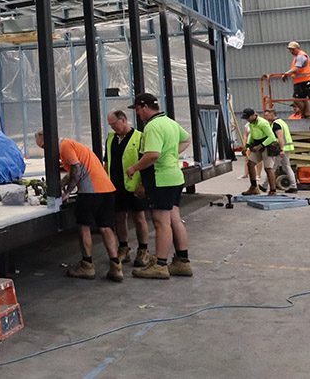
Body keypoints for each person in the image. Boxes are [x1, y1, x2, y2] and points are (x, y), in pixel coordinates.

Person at [34, 130, 123, 282]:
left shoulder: (64, 146)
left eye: (43, 147)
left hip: (90, 191)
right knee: (106, 227)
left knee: (84, 226)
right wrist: (60, 184)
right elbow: (75, 169)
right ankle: (116, 266)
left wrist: (67, 192)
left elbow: (76, 168)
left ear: (48, 141)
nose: (44, 151)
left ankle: (87, 265)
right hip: (106, 189)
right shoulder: (71, 145)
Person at [125, 93, 192, 280]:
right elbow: (186, 139)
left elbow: (153, 155)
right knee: (175, 219)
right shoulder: (169, 122)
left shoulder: (152, 126)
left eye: (138, 110)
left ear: (145, 107)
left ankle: (160, 265)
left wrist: (134, 168)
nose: (137, 114)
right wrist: (170, 154)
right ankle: (182, 261)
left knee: (161, 222)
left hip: (160, 179)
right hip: (175, 177)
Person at [105, 110, 151, 269]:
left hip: (134, 186)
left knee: (139, 217)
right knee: (119, 217)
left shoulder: (139, 138)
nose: (113, 128)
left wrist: (143, 185)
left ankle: (143, 250)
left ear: (123, 120)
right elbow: (107, 162)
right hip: (115, 186)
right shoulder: (111, 139)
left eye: (114, 124)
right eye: (110, 125)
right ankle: (123, 248)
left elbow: (146, 163)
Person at [240, 108, 278, 196]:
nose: (247, 119)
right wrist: (247, 146)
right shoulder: (251, 123)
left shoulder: (263, 123)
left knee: (268, 168)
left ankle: (273, 190)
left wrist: (261, 145)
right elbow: (252, 135)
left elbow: (272, 137)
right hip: (257, 144)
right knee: (250, 164)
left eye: (248, 117)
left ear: (253, 115)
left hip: (268, 145)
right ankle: (254, 187)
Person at [263, 108, 298, 194]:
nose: (265, 117)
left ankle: (264, 186)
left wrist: (281, 149)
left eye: (267, 115)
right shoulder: (281, 122)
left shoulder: (276, 124)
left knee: (272, 168)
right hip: (287, 147)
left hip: (281, 149)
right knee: (286, 167)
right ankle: (293, 186)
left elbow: (280, 138)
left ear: (272, 114)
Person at [282, 41, 310, 118]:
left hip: (305, 79)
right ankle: (307, 115)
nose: (291, 51)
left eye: (293, 49)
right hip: (303, 80)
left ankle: (305, 114)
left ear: (298, 48)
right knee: (304, 98)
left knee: (296, 99)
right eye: (290, 50)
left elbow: (298, 67)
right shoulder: (298, 56)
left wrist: (287, 73)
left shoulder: (301, 56)